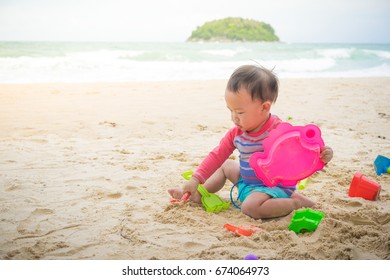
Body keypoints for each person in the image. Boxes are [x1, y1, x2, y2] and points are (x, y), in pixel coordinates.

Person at [168, 65, 333, 219]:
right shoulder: (236, 133)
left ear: (264, 108)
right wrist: (196, 179)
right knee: (226, 165)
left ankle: (295, 202)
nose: (234, 117)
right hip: (247, 182)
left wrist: (322, 157)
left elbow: (301, 156)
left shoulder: (279, 131)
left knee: (250, 208)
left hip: (272, 187)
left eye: (239, 112)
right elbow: (217, 155)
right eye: (230, 110)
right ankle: (200, 193)